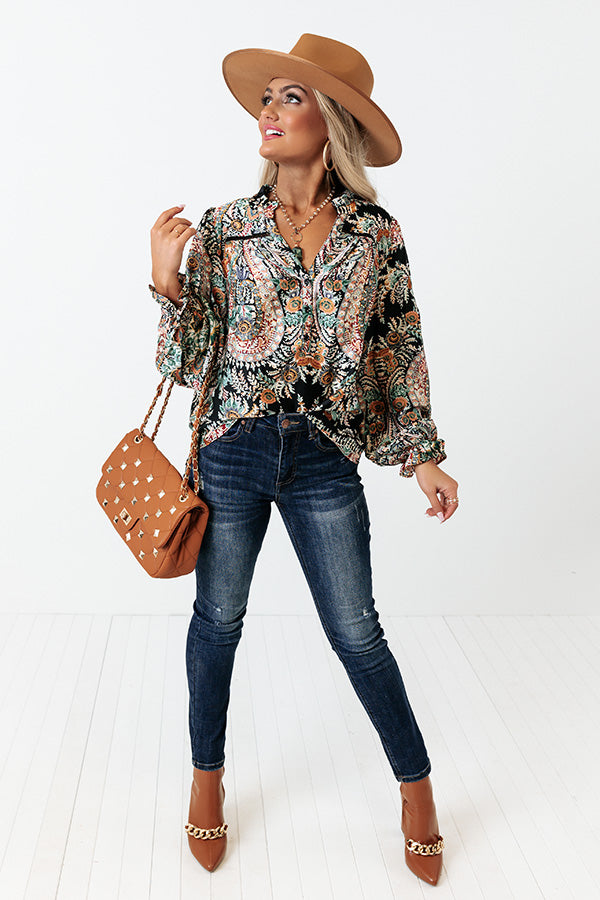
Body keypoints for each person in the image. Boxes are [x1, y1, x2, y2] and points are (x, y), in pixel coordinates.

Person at [149, 33, 458, 886]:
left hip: (324, 458)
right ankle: (206, 780)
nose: (269, 111)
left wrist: (422, 457)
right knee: (218, 622)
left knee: (357, 632)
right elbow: (185, 364)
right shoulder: (226, 228)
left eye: (291, 97)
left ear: (333, 122)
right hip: (233, 450)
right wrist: (167, 282)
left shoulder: (375, 234)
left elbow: (398, 350)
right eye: (267, 97)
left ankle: (417, 789)